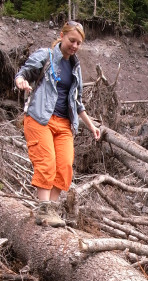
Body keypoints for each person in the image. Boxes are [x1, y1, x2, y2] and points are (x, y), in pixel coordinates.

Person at [15, 20, 100, 227]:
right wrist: (21, 82)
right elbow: (23, 73)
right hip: (40, 118)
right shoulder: (45, 56)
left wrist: (91, 125)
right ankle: (44, 210)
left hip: (64, 124)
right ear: (62, 36)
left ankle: (51, 210)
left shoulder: (75, 67)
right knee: (46, 162)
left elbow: (77, 102)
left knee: (64, 167)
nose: (75, 46)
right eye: (72, 40)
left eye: (79, 43)